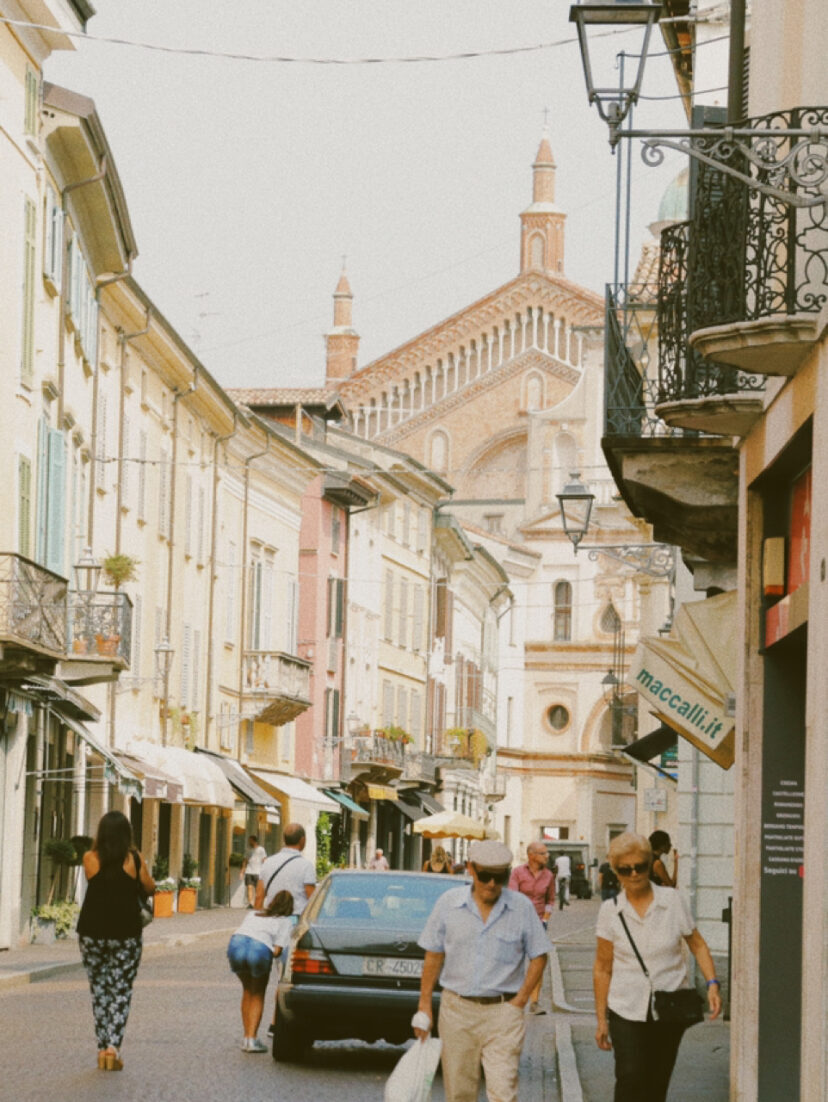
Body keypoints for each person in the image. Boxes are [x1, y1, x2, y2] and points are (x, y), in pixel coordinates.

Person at [414, 839, 549, 1102]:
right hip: (457, 1011)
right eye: (485, 876)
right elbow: (433, 955)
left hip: (503, 1013)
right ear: (471, 869)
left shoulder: (521, 908)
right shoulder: (448, 904)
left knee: (503, 1092)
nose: (491, 884)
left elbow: (539, 956)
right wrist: (424, 1005)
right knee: (460, 1093)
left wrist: (520, 1000)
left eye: (499, 877)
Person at [593, 832, 722, 1102]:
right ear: (617, 871)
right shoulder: (610, 911)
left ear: (650, 863)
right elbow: (603, 967)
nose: (634, 874)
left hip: (669, 1006)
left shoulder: (672, 901)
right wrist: (601, 1019)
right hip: (625, 1007)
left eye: (640, 866)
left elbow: (697, 944)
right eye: (626, 870)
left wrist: (712, 983)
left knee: (656, 1080)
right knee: (630, 1075)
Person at [76, 810, 155, 1071]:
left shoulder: (89, 858)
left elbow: (96, 882)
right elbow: (149, 888)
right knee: (121, 990)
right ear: (126, 834)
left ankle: (101, 1049)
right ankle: (113, 1048)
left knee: (99, 991)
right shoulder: (133, 858)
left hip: (92, 932)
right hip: (125, 932)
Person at [227, 889, 294, 1052]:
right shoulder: (285, 921)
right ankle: (252, 1040)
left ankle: (245, 1038)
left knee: (247, 990)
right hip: (259, 948)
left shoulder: (253, 914)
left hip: (236, 944)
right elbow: (277, 950)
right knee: (257, 993)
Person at [508, 842, 554, 1014]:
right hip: (518, 921)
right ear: (532, 855)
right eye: (543, 853)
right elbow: (512, 896)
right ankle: (513, 996)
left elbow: (551, 899)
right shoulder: (518, 873)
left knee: (538, 961)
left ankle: (534, 1002)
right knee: (514, 959)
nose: (547, 856)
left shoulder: (549, 876)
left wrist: (546, 918)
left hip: (539, 923)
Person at [255, 822, 316, 916]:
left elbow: (259, 896)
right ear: (302, 840)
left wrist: (258, 920)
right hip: (295, 921)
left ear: (284, 839)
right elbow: (312, 899)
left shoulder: (268, 863)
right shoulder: (306, 866)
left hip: (272, 918)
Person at [240, 834, 267, 907]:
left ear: (254, 841)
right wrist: (242, 871)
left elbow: (264, 860)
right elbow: (245, 861)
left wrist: (266, 870)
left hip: (258, 872)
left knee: (257, 888)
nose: (249, 842)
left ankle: (258, 903)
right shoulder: (248, 850)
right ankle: (251, 903)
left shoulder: (261, 849)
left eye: (250, 841)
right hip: (249, 871)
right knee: (249, 887)